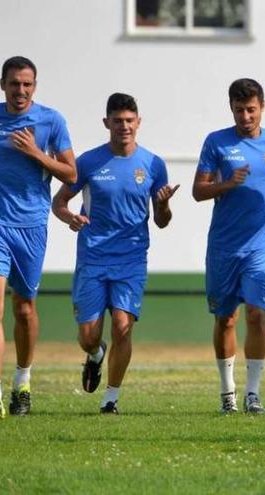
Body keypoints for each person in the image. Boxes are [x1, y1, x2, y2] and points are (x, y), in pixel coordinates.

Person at [52, 93, 177, 414]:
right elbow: (59, 203)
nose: (124, 127)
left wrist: (162, 205)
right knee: (88, 336)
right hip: (93, 258)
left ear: (139, 123)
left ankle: (111, 398)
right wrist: (71, 218)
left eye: (130, 121)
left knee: (123, 325)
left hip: (132, 259)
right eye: (118, 121)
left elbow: (162, 222)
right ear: (106, 123)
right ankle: (95, 355)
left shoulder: (152, 164)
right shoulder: (89, 162)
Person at [192, 78, 265, 414]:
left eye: (251, 109)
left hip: (261, 244)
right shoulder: (217, 143)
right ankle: (227, 393)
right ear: (231, 109)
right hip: (223, 245)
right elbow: (198, 191)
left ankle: (253, 394)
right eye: (239, 110)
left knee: (257, 314)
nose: (245, 116)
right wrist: (226, 184)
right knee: (226, 319)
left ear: (262, 107)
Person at [0, 56, 77, 418]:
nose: (20, 90)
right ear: (3, 85)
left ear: (35, 86)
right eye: (14, 83)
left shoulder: (50, 121)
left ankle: (23, 383)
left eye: (27, 84)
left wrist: (34, 153)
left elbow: (71, 174)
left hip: (31, 226)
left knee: (24, 309)